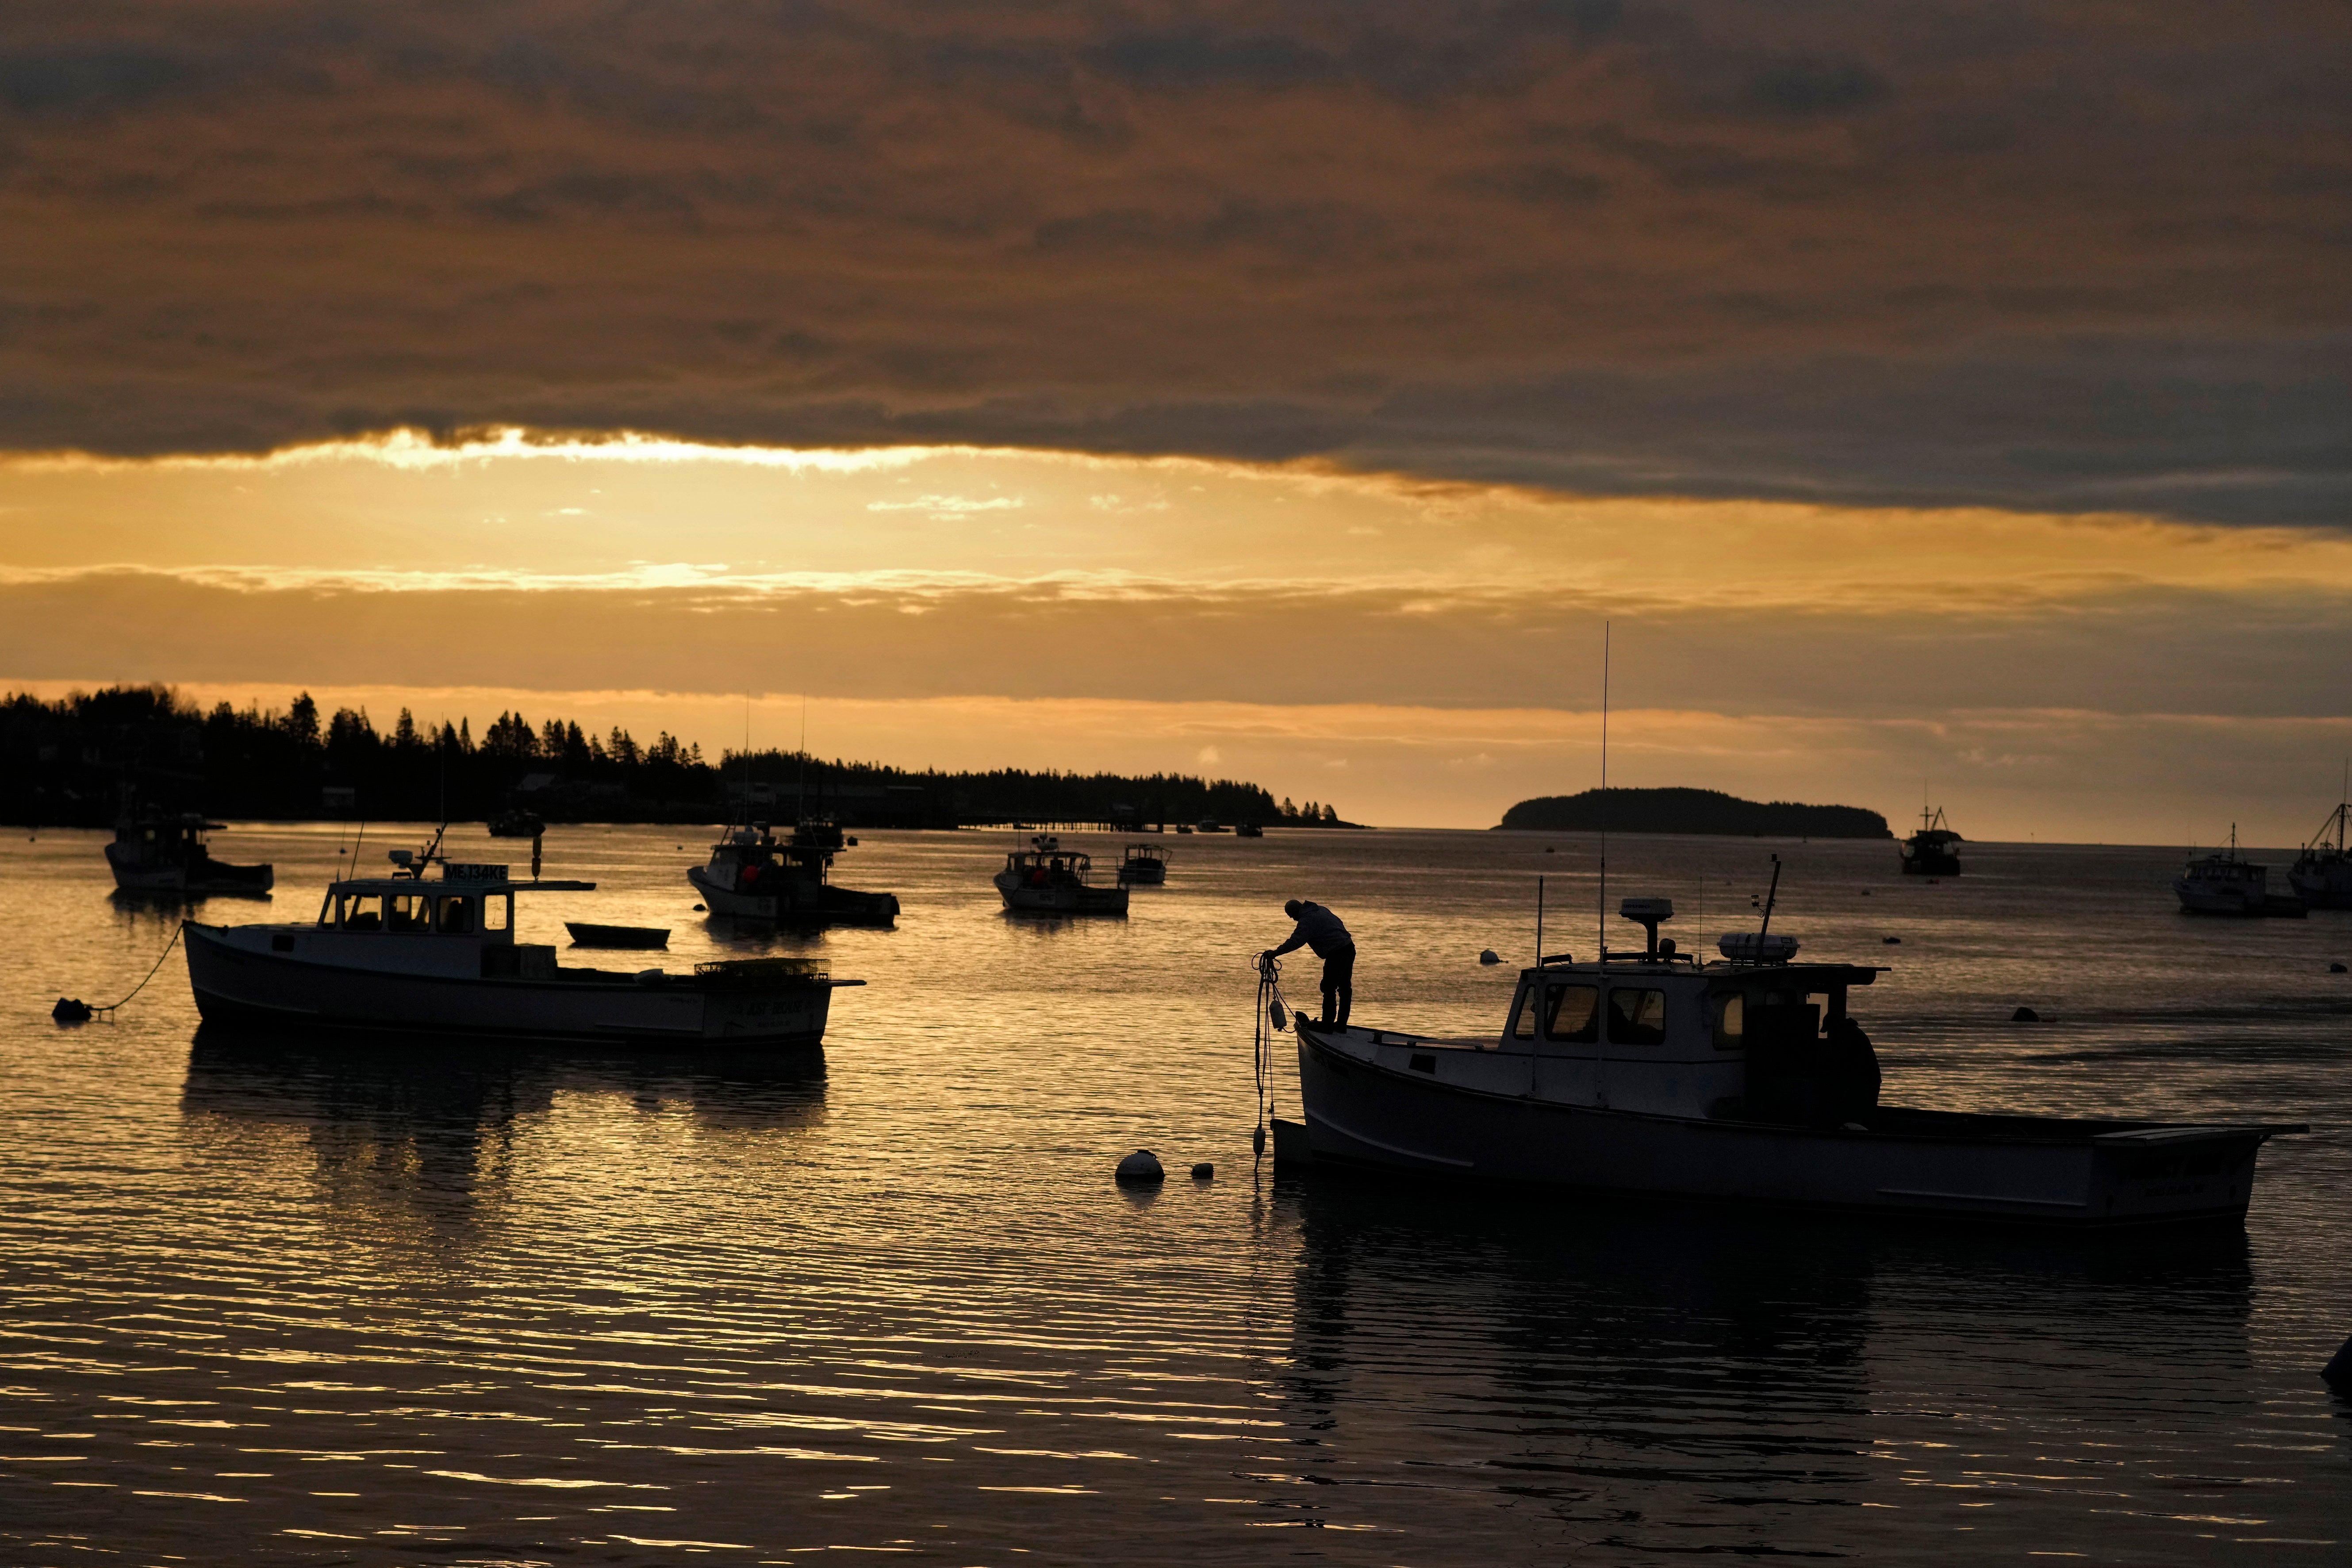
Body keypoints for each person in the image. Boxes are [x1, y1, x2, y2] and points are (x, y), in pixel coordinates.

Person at [1263, 898, 1356, 1027]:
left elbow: (1296, 941)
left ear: (1296, 912)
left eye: (1292, 916)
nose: (1293, 920)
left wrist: (1275, 953)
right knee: (1345, 988)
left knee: (1328, 988)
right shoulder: (1321, 910)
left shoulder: (1307, 920)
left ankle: (1327, 1025)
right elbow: (1339, 923)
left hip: (1337, 953)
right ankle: (1341, 1025)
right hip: (1349, 948)